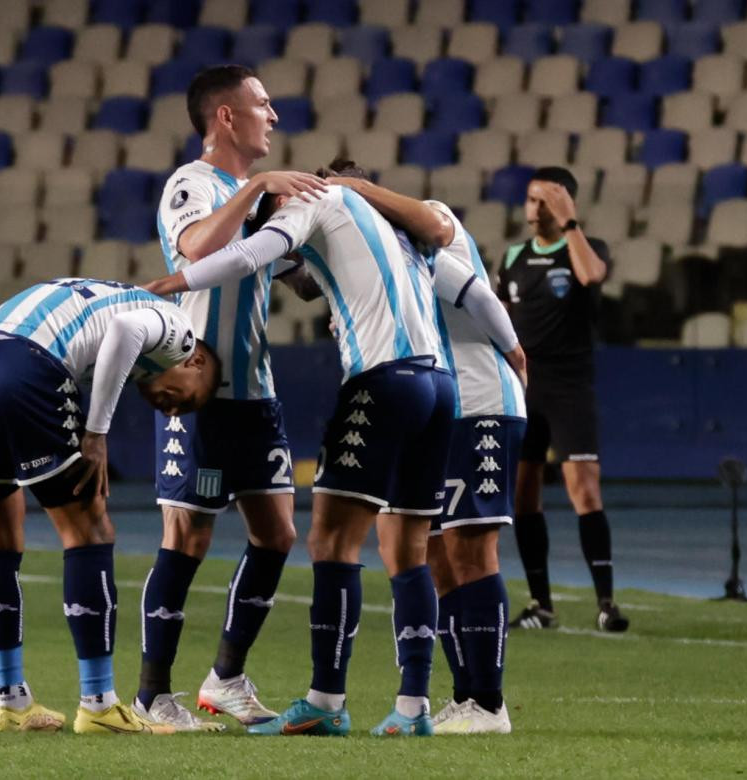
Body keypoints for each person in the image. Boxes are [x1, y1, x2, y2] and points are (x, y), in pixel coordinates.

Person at [146, 175, 516, 738]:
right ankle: (413, 707)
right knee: (412, 548)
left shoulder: (308, 204)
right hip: (439, 385)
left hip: (383, 381)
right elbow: (451, 267)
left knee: (332, 541)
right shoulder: (398, 234)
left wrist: (178, 280)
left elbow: (250, 253)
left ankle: (325, 700)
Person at [0, 277, 221, 735]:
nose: (172, 410)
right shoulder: (179, 329)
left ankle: (12, 702)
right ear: (197, 360)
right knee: (89, 531)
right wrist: (97, 431)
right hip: (24, 365)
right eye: (187, 396)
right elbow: (127, 330)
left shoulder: (105, 297)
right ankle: (99, 703)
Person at [137, 64, 328, 731]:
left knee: (276, 534)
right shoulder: (192, 185)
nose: (273, 115)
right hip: (199, 395)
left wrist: (334, 215)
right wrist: (257, 189)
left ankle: (224, 678)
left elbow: (304, 280)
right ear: (226, 116)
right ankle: (152, 696)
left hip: (256, 396)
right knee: (187, 533)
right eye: (263, 104)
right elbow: (193, 249)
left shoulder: (255, 201)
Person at [318, 161, 526, 734]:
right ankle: (466, 697)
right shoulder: (374, 260)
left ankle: (487, 704)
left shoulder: (428, 226)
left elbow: (474, 290)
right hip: (442, 409)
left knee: (470, 549)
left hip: (481, 398)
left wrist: (514, 350)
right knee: (434, 554)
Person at [496, 167, 629, 633]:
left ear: (564, 204)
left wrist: (571, 225)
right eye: (529, 200)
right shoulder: (512, 256)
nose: (532, 211)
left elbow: (592, 276)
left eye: (542, 201)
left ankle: (606, 603)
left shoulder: (587, 250)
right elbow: (499, 317)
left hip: (571, 387)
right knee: (523, 495)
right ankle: (542, 605)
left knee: (584, 491)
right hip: (525, 387)